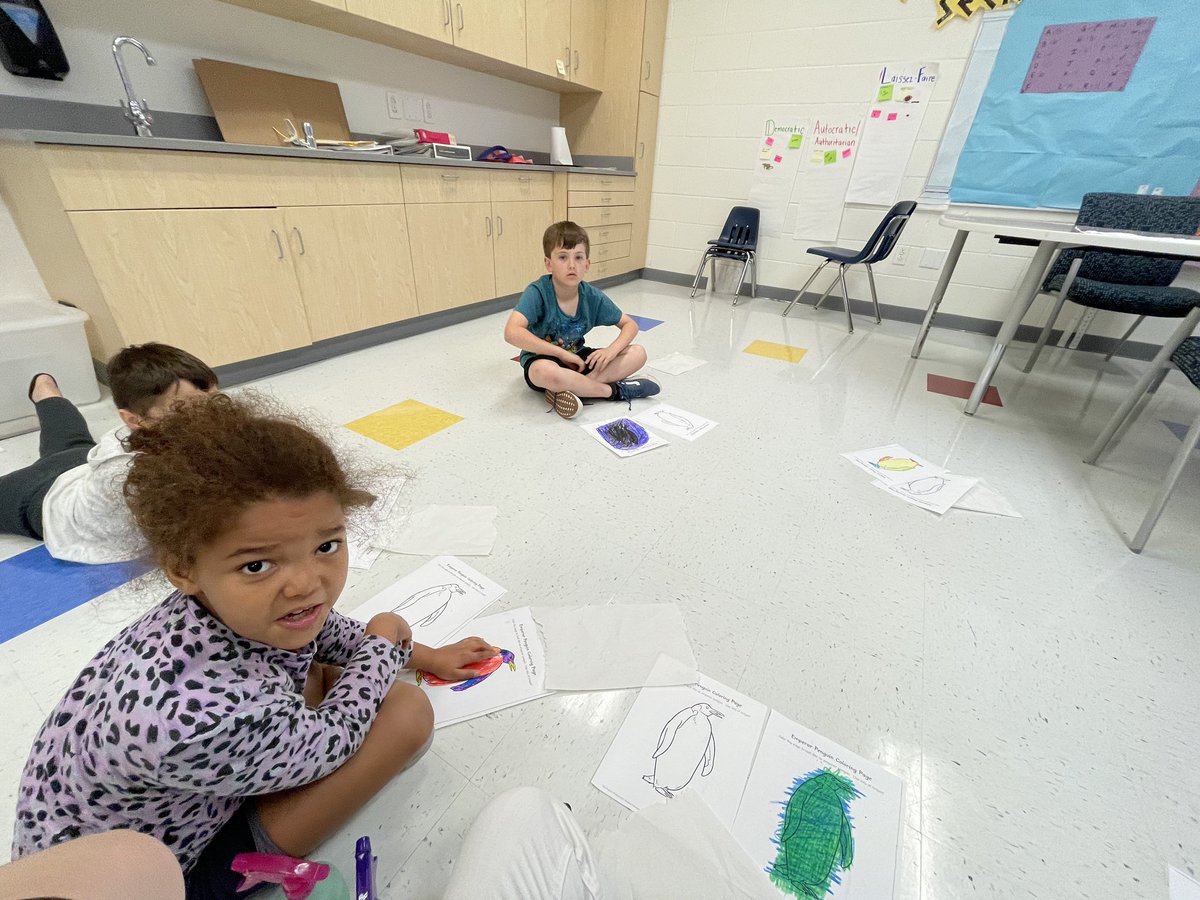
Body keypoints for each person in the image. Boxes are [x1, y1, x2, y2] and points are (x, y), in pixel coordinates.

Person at [10, 393, 497, 900]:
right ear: (183, 568)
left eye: (326, 546)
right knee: (408, 714)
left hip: (127, 810)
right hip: (162, 877)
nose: (307, 584)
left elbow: (327, 632)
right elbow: (336, 738)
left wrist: (427, 656)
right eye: (258, 565)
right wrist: (383, 642)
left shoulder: (214, 605)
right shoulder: (196, 713)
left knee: (322, 666)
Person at [0, 342, 218, 563]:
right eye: (186, 410)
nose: (211, 415)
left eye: (215, 400)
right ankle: (48, 396)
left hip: (81, 464)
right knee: (68, 445)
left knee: (70, 441)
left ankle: (48, 395)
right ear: (134, 420)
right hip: (41, 497)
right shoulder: (132, 476)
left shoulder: (158, 430)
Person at [504, 220, 660, 419]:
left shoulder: (592, 296)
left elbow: (630, 325)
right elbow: (512, 332)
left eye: (578, 257)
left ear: (587, 264)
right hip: (543, 358)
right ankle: (613, 391)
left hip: (578, 358)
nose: (571, 265)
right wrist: (561, 354)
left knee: (638, 353)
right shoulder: (538, 292)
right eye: (562, 257)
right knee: (543, 372)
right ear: (548, 264)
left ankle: (573, 389)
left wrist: (610, 351)